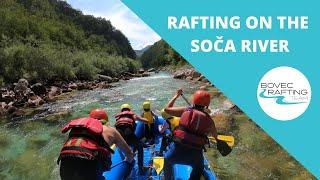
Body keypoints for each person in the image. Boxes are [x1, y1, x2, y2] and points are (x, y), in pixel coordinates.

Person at [58, 108, 134, 180]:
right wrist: (128, 161)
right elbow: (128, 153)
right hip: (89, 167)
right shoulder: (110, 130)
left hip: (65, 165)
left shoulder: (78, 129)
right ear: (106, 121)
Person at [163, 89, 218, 180]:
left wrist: (176, 96)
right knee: (199, 169)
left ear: (194, 101)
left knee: (167, 161)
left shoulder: (185, 110)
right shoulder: (209, 120)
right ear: (207, 105)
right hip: (195, 157)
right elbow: (215, 136)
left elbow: (167, 109)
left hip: (176, 152)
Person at [114, 103, 149, 174]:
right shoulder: (134, 116)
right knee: (140, 147)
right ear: (129, 110)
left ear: (121, 110)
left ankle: (128, 162)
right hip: (130, 137)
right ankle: (141, 168)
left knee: (127, 146)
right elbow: (146, 121)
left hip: (119, 138)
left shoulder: (118, 118)